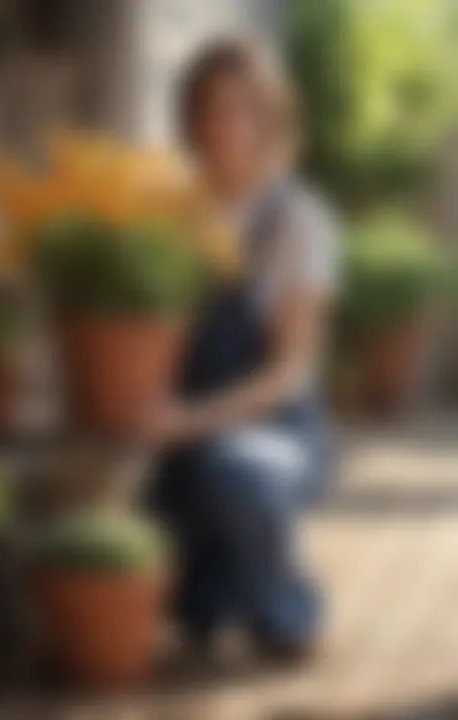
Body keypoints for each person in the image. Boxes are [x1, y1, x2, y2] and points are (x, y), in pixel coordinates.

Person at [145, 36, 337, 660]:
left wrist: (185, 422)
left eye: (241, 108)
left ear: (271, 118)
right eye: (208, 107)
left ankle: (289, 607)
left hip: (274, 430)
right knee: (192, 610)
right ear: (189, 118)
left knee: (239, 474)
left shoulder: (296, 219)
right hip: (182, 425)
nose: (222, 124)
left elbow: (288, 372)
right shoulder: (171, 211)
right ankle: (210, 586)